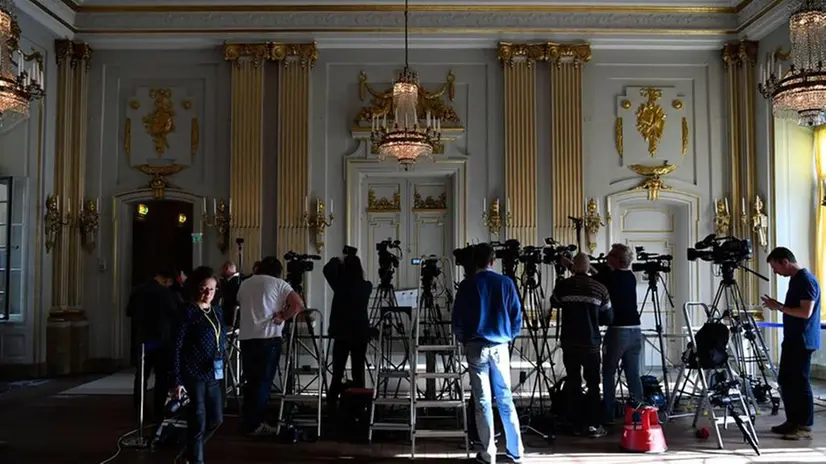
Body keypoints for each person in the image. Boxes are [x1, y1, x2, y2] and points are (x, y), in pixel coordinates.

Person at [452, 243, 524, 464]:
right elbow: (516, 315)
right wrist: (508, 335)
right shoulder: (506, 283)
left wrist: (465, 339)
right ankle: (516, 451)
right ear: (493, 260)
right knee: (505, 398)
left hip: (476, 346)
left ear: (474, 261)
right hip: (500, 345)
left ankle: (488, 452)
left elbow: (458, 320)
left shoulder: (467, 285)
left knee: (482, 400)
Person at [237, 256, 305, 436]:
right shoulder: (279, 283)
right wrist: (283, 316)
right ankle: (256, 424)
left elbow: (239, 304)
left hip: (246, 338)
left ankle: (248, 421)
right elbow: (299, 305)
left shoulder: (245, 284)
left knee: (250, 382)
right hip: (268, 337)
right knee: (263, 383)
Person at [762, 247, 821, 440]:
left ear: (784, 262)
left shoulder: (806, 281)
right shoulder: (797, 281)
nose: (775, 272)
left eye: (775, 267)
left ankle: (804, 425)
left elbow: (805, 313)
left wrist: (778, 307)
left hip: (802, 341)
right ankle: (792, 421)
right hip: (793, 339)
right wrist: (779, 305)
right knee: (786, 380)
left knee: (800, 382)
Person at [551, 253, 612, 438]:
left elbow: (554, 303)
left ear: (574, 267)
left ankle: (575, 425)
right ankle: (594, 425)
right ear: (588, 267)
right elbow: (608, 317)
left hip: (569, 343)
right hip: (591, 343)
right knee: (594, 384)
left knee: (573, 382)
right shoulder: (600, 288)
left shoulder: (564, 286)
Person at [171, 266, 226, 464]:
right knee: (198, 422)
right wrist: (177, 380)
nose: (207, 293)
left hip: (212, 373)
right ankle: (196, 460)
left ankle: (187, 452)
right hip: (192, 374)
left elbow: (221, 337)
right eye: (204, 288)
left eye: (211, 289)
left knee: (216, 420)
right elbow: (175, 347)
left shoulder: (217, 311)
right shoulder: (187, 312)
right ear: (196, 287)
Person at [592, 244, 642, 424]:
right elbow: (601, 276)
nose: (606, 257)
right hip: (636, 329)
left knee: (608, 371)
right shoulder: (630, 277)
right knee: (633, 373)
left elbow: (594, 280)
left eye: (610, 255)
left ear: (616, 259)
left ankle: (608, 413)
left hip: (618, 330)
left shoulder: (610, 278)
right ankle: (638, 414)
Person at [126, 267, 178, 425]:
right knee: (161, 376)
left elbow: (128, 312)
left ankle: (140, 407)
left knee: (141, 376)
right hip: (161, 340)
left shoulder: (137, 290)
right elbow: (175, 312)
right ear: (165, 279)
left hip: (142, 339)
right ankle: (158, 408)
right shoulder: (164, 293)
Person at [323, 253, 373, 412]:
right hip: (360, 333)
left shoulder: (340, 285)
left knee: (338, 370)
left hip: (341, 333)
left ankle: (331, 402)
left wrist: (336, 260)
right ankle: (359, 404)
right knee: (358, 370)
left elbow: (327, 270)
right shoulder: (367, 286)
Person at [219, 261, 242, 328]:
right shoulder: (238, 279)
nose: (221, 272)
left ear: (227, 269)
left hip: (231, 314)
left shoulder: (235, 281)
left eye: (222, 269)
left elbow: (227, 297)